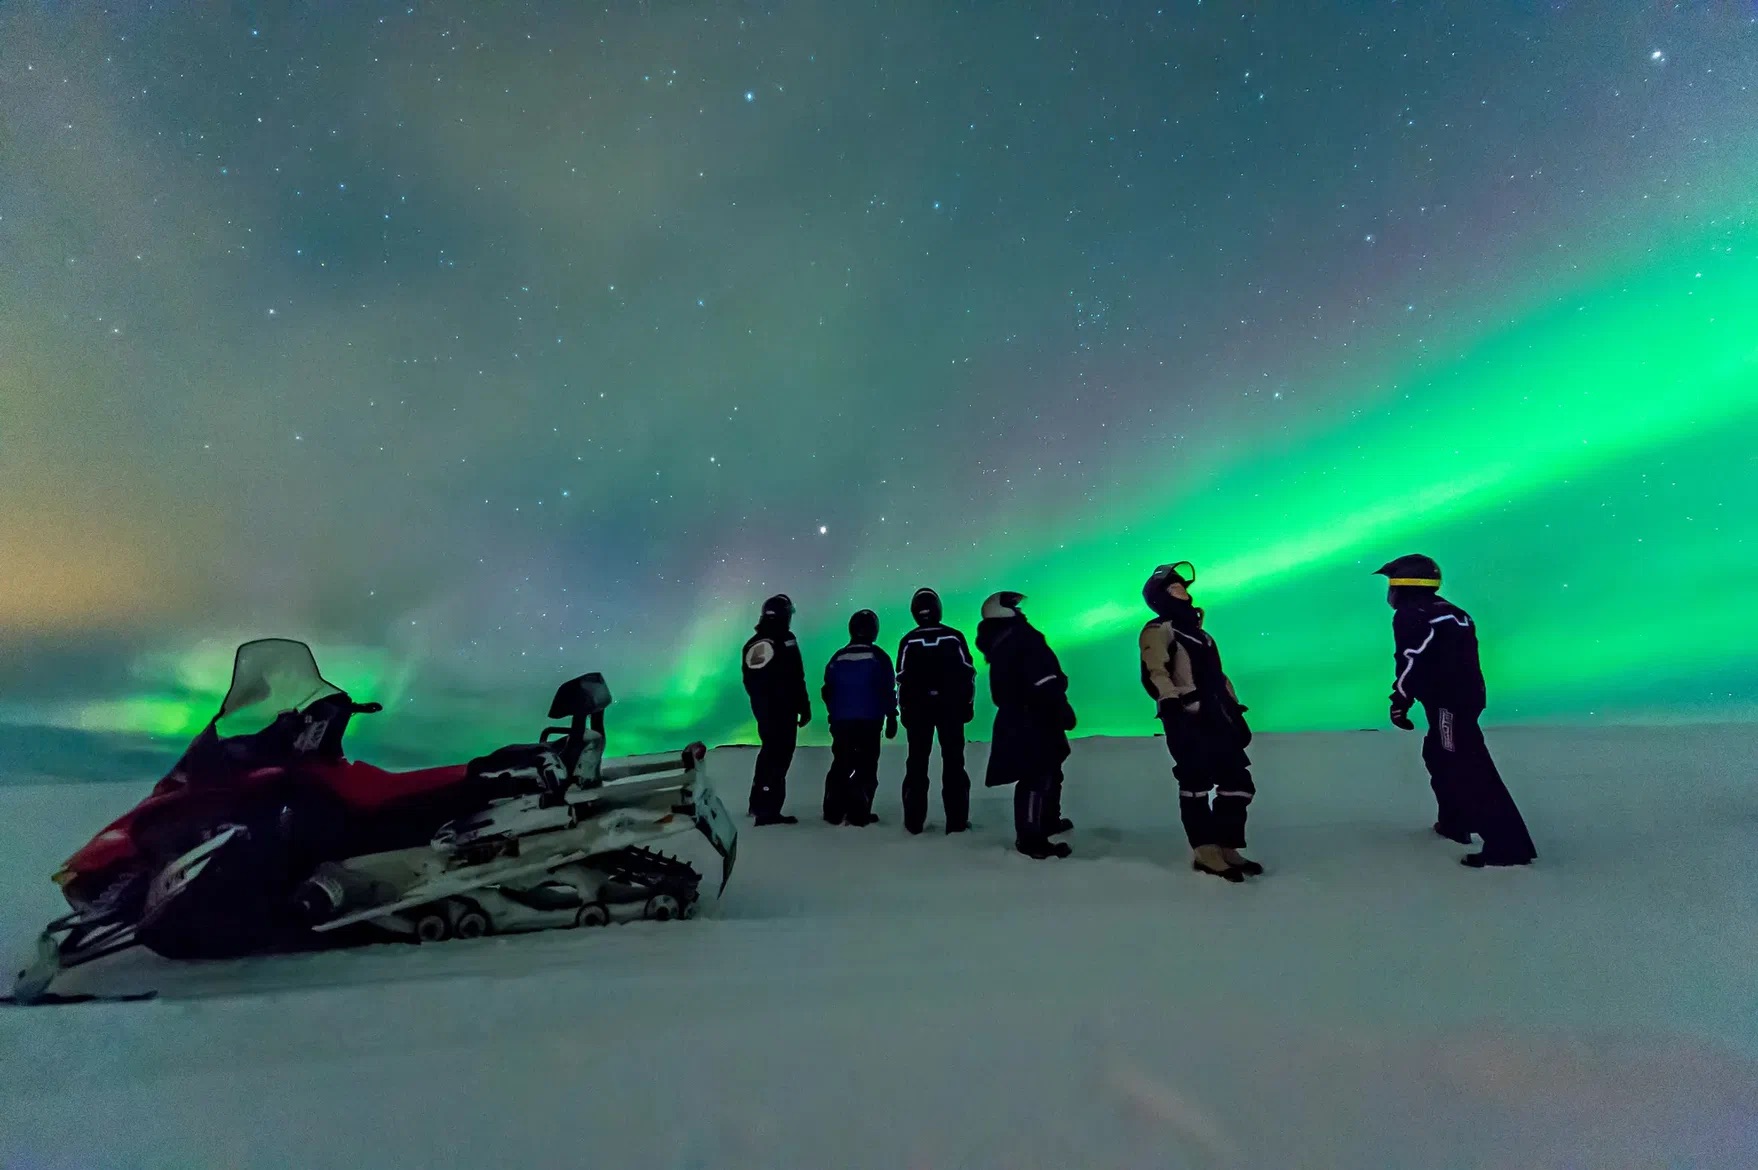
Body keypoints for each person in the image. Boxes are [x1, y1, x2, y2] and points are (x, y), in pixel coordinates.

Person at [1375, 554, 1537, 867]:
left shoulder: (1414, 614)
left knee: (1466, 766)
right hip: (1463, 699)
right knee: (1438, 754)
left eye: (1391, 583)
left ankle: (1508, 846)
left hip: (1448, 704)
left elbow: (1410, 660)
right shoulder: (1450, 611)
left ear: (1403, 585)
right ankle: (1455, 821)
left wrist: (1400, 699)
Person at [1139, 561, 1261, 882]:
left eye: (1184, 588)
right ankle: (1205, 851)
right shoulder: (1159, 630)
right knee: (1195, 783)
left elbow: (1219, 677)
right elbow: (1156, 671)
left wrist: (1234, 709)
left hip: (1217, 718)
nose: (1184, 594)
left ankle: (1227, 846)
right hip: (1187, 719)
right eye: (1176, 589)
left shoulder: (1200, 634)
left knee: (1237, 782)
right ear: (1161, 597)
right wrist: (1172, 705)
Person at [976, 591, 1076, 859]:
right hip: (1032, 713)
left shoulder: (1007, 637)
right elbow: (1039, 675)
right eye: (1012, 606)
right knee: (1036, 774)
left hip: (1030, 712)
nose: (1018, 609)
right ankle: (1030, 837)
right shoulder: (1017, 638)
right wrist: (1058, 701)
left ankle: (1046, 821)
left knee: (1049, 768)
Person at [896, 587, 976, 835]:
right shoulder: (954, 637)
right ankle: (957, 822)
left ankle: (913, 823)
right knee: (954, 764)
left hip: (919, 712)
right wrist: (967, 705)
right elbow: (968, 673)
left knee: (916, 765)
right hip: (951, 710)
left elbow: (901, 678)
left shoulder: (908, 640)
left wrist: (905, 710)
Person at [821, 609, 898, 826]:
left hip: (841, 722)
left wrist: (833, 714)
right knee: (866, 765)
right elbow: (886, 689)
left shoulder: (838, 657)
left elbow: (828, 690)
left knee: (841, 763)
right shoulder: (879, 657)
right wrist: (892, 715)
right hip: (869, 722)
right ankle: (858, 811)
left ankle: (833, 809)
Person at [741, 593, 811, 825]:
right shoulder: (782, 640)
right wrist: (801, 704)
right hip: (780, 711)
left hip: (768, 710)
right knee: (777, 756)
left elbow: (753, 681)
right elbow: (794, 676)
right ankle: (767, 810)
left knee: (770, 754)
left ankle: (759, 804)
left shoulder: (755, 643)